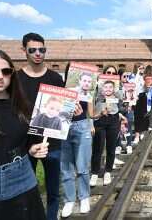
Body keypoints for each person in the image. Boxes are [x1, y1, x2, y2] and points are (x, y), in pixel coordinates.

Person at [0, 49, 48, 220]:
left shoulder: (22, 106)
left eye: (6, 71)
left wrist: (32, 149)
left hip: (23, 177)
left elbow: (23, 142)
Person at [17, 32, 64, 220]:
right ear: (24, 51)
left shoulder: (55, 79)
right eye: (33, 50)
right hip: (25, 144)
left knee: (53, 190)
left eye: (41, 49)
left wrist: (73, 109)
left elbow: (64, 108)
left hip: (52, 143)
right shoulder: (16, 79)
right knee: (27, 190)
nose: (38, 53)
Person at [60, 62, 95, 218]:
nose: (86, 83)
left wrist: (93, 118)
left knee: (82, 165)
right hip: (63, 126)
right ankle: (69, 199)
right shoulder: (62, 88)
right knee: (65, 165)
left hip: (81, 126)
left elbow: (91, 113)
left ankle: (84, 197)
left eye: (89, 80)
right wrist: (66, 107)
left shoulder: (87, 93)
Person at [90, 74, 126, 187]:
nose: (108, 89)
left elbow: (123, 96)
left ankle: (108, 171)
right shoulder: (98, 95)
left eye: (111, 87)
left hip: (113, 119)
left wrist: (119, 83)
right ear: (102, 88)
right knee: (98, 147)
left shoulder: (117, 94)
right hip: (100, 119)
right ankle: (95, 172)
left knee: (111, 147)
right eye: (106, 87)